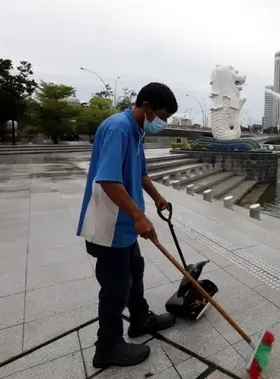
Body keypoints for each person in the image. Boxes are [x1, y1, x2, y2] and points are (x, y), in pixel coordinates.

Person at [76, 82, 179, 368]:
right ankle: (107, 348)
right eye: (162, 115)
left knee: (135, 270)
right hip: (110, 223)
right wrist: (138, 216)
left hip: (125, 224)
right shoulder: (118, 128)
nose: (164, 122)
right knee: (115, 286)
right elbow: (108, 179)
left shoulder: (137, 131)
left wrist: (158, 198)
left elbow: (141, 172)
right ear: (146, 108)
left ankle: (140, 320)